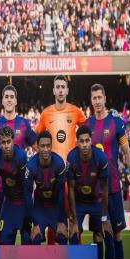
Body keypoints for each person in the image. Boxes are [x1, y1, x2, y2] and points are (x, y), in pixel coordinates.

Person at [87, 84, 130, 259]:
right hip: (95, 190)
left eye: (99, 97)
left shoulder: (116, 122)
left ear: (105, 99)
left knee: (116, 234)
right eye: (94, 98)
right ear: (91, 100)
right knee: (99, 233)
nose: (97, 101)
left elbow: (127, 152)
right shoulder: (87, 124)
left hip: (113, 186)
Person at [35, 75, 86, 243]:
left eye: (63, 87)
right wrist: (44, 160)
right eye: (58, 87)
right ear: (53, 90)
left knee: (74, 218)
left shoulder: (76, 111)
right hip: (53, 176)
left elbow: (87, 132)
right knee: (54, 220)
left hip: (72, 175)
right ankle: (52, 254)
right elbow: (36, 138)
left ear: (67, 90)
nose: (60, 90)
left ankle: (77, 253)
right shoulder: (46, 113)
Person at [0, 85, 36, 231]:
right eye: (6, 97)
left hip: (21, 189)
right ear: (2, 100)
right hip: (0, 188)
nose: (9, 100)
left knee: (25, 232)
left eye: (11, 97)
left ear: (16, 101)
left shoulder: (24, 124)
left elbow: (38, 147)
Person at [67, 126, 114, 259]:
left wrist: (104, 218)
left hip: (96, 201)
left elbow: (105, 188)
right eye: (81, 141)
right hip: (79, 202)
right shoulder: (71, 157)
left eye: (87, 140)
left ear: (91, 141)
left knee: (104, 233)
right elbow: (70, 189)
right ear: (77, 142)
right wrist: (74, 220)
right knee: (74, 233)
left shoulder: (100, 157)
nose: (84, 144)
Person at [24, 130, 68, 245]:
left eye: (48, 146)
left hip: (56, 206)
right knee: (35, 238)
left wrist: (60, 220)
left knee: (63, 237)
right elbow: (27, 195)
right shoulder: (31, 166)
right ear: (37, 147)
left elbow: (61, 192)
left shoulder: (59, 163)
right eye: (42, 146)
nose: (45, 149)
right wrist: (35, 223)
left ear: (51, 146)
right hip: (40, 207)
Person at [0, 126, 29, 245]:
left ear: (13, 141)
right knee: (3, 243)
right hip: (8, 202)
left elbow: (26, 186)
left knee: (28, 244)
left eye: (8, 142)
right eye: (3, 142)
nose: (6, 145)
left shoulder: (21, 156)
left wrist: (29, 213)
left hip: (23, 201)